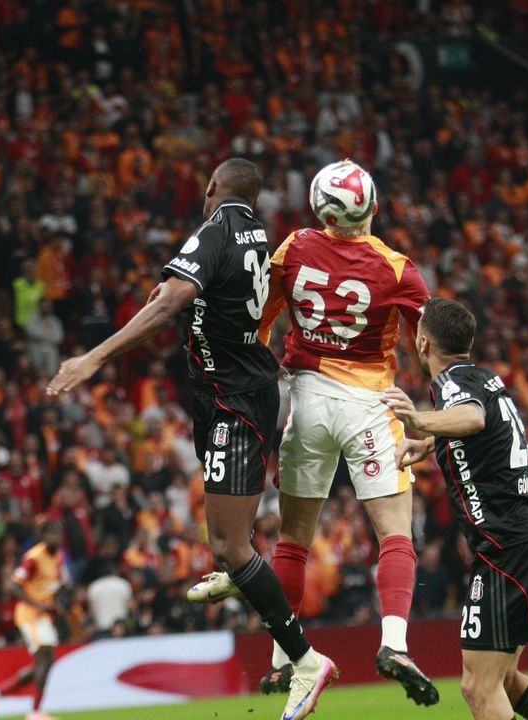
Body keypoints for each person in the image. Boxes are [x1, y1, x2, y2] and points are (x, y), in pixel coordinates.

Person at [47, 158, 337, 719]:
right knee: (228, 536)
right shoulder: (255, 233)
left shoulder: (216, 229)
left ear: (211, 190)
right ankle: (238, 570)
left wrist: (94, 357)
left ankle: (304, 659)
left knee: (228, 544)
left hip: (234, 400)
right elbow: (210, 294)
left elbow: (167, 307)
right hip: (231, 392)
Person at [185, 160, 437, 705]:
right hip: (370, 406)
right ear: (373, 207)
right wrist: (434, 418)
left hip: (307, 402)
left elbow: (260, 317)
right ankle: (395, 643)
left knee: (294, 539)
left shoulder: (295, 247)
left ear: (319, 208)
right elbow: (432, 345)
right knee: (395, 533)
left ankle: (283, 659)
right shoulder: (398, 269)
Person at [384, 299, 528, 720]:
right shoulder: (484, 377)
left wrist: (419, 421)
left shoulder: (452, 384)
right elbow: (481, 427)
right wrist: (430, 443)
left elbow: (473, 419)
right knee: (504, 682)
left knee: (478, 687)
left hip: (508, 548)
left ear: (423, 344)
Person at [0, 521, 70, 720]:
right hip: (29, 615)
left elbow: (54, 585)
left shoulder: (59, 556)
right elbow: (14, 585)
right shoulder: (33, 558)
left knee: (46, 662)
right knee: (45, 655)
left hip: (44, 616)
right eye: (50, 534)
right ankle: (35, 712)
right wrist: (37, 604)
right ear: (43, 537)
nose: (55, 538)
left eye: (57, 533)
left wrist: (58, 602)